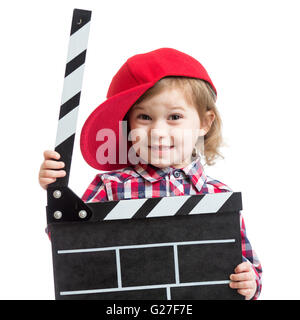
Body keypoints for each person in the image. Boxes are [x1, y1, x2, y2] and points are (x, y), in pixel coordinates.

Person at [39, 47, 262, 300]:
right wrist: (57, 192)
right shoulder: (111, 186)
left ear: (204, 122)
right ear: (128, 125)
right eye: (144, 116)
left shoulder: (219, 195)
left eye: (175, 116)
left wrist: (250, 281)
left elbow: (249, 266)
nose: (158, 131)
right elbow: (69, 244)